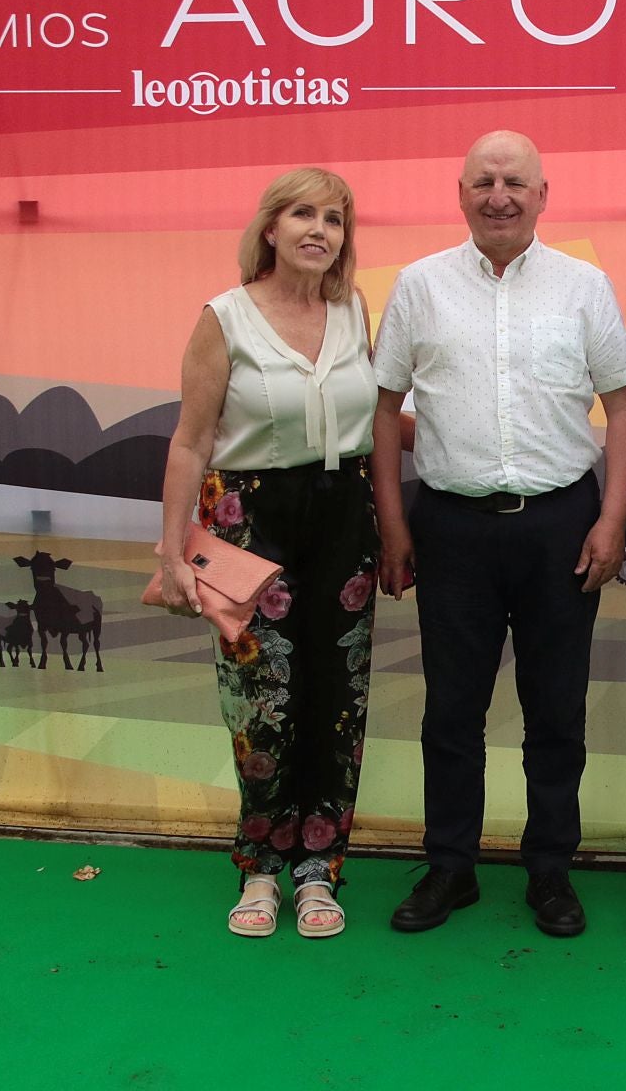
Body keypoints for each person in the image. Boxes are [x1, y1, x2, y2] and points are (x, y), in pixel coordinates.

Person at [371, 130, 626, 938]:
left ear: (542, 195)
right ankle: (450, 867)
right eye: (485, 181)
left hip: (562, 525)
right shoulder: (419, 287)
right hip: (451, 527)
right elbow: (385, 411)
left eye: (515, 182)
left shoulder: (583, 286)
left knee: (555, 710)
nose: (500, 195)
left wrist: (611, 519)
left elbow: (625, 405)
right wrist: (393, 522)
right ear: (460, 193)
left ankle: (551, 871)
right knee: (451, 711)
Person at [154, 167, 380, 940]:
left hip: (345, 521)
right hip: (249, 523)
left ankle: (319, 868)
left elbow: (376, 424)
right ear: (271, 229)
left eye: (336, 219)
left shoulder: (353, 311)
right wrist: (170, 551)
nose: (320, 229)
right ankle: (260, 869)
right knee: (261, 704)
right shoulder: (224, 317)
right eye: (303, 215)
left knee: (336, 703)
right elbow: (190, 441)